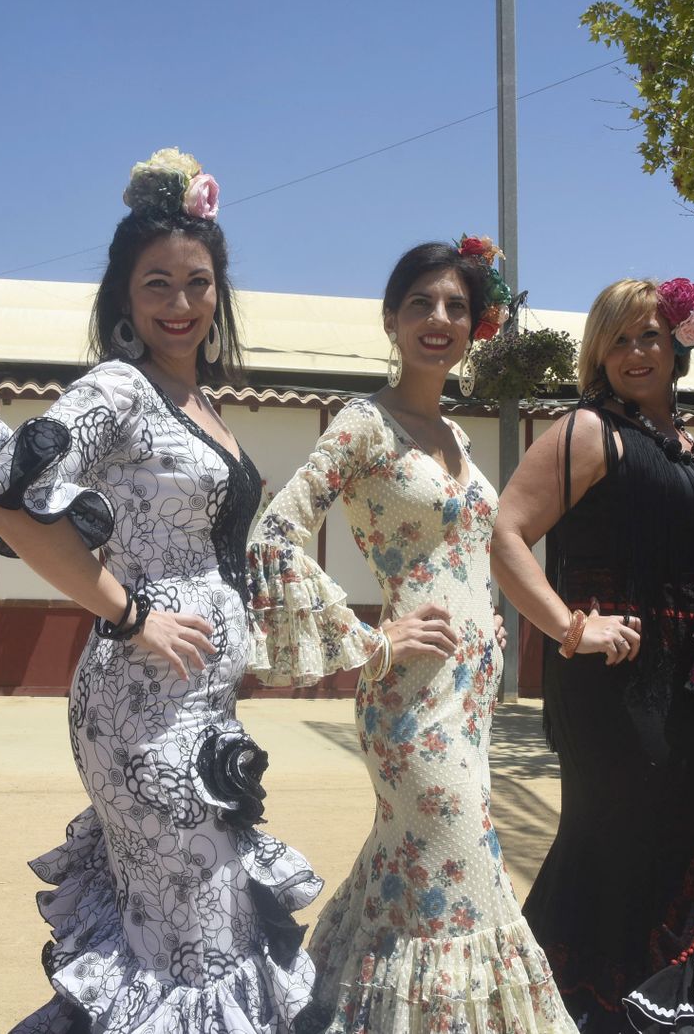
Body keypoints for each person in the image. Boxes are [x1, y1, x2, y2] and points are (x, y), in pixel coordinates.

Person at [0, 148, 320, 1033]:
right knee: (196, 946)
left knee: (185, 932)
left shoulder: (200, 404)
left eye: (197, 282)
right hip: (141, 714)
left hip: (204, 715)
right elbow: (2, 491)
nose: (180, 305)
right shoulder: (119, 388)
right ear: (122, 299)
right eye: (157, 284)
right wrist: (129, 611)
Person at [247, 238, 577, 1033]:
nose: (439, 319)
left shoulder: (457, 440)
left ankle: (336, 1007)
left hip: (468, 703)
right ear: (392, 320)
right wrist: (369, 637)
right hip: (407, 703)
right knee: (459, 872)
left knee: (409, 875)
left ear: (476, 327)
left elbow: (481, 555)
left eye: (456, 307)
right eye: (421, 304)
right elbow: (274, 532)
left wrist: (525, 624)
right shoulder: (365, 424)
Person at [491, 278, 694, 1033]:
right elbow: (506, 535)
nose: (636, 353)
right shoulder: (585, 432)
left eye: (650, 337)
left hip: (690, 692)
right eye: (618, 340)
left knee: (676, 844)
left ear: (678, 345)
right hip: (612, 692)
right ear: (597, 354)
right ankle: (585, 1011)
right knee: (618, 848)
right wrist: (571, 627)